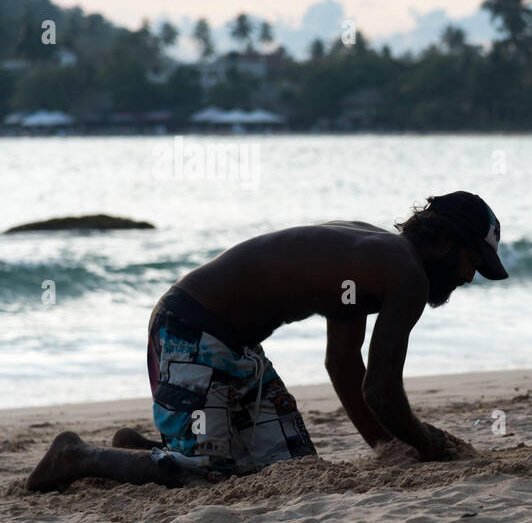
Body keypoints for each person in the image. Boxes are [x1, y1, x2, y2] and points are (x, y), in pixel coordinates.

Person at [26, 192, 507, 492]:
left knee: (292, 472)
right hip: (189, 332)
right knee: (207, 476)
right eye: (472, 262)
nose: (470, 277)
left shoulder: (380, 258)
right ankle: (74, 455)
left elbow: (343, 365)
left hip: (237, 350)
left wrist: (389, 447)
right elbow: (380, 389)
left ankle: (140, 449)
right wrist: (428, 444)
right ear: (444, 242)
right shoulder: (406, 275)